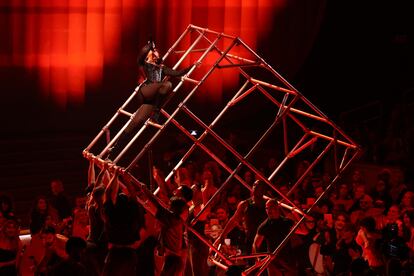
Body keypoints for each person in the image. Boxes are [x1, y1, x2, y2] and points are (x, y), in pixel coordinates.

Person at [108, 40, 196, 160]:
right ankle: (157, 111)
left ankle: (113, 152)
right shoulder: (144, 64)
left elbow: (178, 73)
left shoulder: (162, 68)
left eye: (156, 52)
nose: (155, 53)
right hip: (145, 91)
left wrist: (193, 65)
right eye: (152, 52)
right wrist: (151, 45)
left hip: (151, 100)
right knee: (165, 84)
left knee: (134, 124)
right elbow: (141, 56)